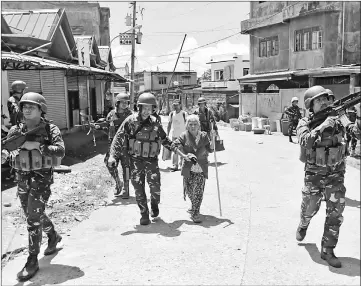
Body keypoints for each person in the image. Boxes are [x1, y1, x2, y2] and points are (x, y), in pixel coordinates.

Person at [1, 92, 65, 281]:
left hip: (41, 178)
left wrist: (38, 146)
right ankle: (52, 235)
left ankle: (32, 260)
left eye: (31, 107)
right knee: (32, 214)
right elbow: (7, 147)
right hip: (22, 178)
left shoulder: (50, 129)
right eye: (24, 107)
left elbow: (61, 150)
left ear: (40, 109)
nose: (26, 110)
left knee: (33, 218)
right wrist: (5, 155)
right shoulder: (15, 130)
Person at [296, 85, 361, 268]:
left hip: (335, 175)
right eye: (319, 100)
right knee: (310, 208)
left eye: (326, 98)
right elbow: (306, 141)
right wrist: (325, 125)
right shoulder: (304, 122)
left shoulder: (338, 117)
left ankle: (328, 250)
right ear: (311, 105)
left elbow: (356, 133)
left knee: (336, 212)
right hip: (314, 176)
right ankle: (304, 223)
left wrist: (359, 116)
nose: (324, 102)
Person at [107, 92, 182, 225]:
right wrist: (112, 156)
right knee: (138, 187)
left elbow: (165, 140)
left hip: (151, 161)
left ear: (153, 109)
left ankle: (154, 204)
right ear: (139, 107)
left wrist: (181, 153)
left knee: (155, 187)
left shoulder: (155, 123)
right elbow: (118, 138)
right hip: (135, 161)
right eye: (144, 108)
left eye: (150, 108)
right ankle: (144, 214)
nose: (147, 111)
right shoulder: (130, 121)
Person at [172, 115, 212, 223]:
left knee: (198, 191)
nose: (193, 126)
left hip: (201, 167)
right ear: (187, 125)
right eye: (190, 124)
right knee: (190, 191)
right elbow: (174, 146)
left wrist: (213, 144)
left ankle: (195, 212)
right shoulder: (184, 136)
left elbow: (210, 149)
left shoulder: (204, 136)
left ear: (199, 125)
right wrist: (183, 155)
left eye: (195, 124)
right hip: (188, 168)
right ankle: (194, 204)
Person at [103, 93, 133, 198]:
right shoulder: (111, 114)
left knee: (127, 168)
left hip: (126, 146)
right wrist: (99, 127)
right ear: (117, 103)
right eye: (122, 102)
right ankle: (118, 183)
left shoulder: (130, 115)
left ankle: (126, 188)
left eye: (126, 102)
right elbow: (107, 128)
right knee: (109, 163)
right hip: (113, 146)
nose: (125, 104)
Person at [167, 99, 187, 171]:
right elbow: (169, 124)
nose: (175, 106)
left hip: (183, 135)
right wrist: (167, 133)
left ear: (180, 105)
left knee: (182, 150)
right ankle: (175, 165)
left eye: (176, 105)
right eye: (174, 105)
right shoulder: (172, 114)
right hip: (174, 135)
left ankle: (182, 165)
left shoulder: (184, 113)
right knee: (174, 150)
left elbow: (187, 124)